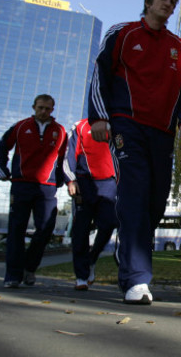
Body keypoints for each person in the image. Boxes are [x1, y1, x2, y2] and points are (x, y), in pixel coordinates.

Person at [88, 0, 181, 305]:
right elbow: (100, 74)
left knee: (156, 201)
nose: (169, 4)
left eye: (173, 2)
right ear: (148, 2)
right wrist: (99, 117)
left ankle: (129, 251)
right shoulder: (123, 33)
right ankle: (136, 279)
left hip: (161, 132)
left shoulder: (179, 46)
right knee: (134, 192)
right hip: (126, 124)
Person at [0, 94, 67, 288]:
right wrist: (2, 169)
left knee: (45, 229)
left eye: (48, 109)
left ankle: (30, 267)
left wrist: (61, 179)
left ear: (53, 110)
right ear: (34, 107)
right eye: (40, 108)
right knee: (16, 230)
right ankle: (13, 276)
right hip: (21, 184)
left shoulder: (60, 131)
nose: (44, 112)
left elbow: (64, 160)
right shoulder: (20, 127)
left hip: (47, 187)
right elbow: (2, 147)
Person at [64, 118, 118, 291]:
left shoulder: (118, 123)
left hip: (109, 183)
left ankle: (92, 258)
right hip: (83, 182)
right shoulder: (80, 126)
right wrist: (71, 180)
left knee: (109, 223)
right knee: (81, 230)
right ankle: (81, 276)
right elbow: (68, 154)